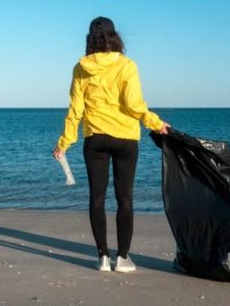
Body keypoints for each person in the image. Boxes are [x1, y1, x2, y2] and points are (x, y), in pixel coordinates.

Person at [53, 16, 169, 273]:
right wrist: (156, 123)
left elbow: (75, 110)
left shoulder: (81, 68)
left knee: (97, 199)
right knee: (125, 199)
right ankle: (123, 258)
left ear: (90, 40)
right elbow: (134, 104)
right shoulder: (127, 65)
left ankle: (103, 257)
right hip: (125, 139)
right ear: (114, 37)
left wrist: (65, 142)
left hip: (95, 140)